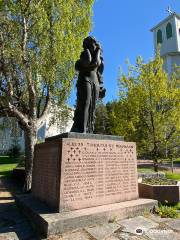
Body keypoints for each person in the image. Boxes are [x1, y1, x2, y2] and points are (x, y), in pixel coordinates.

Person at [70, 36, 106, 133]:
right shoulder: (84, 55)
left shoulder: (99, 57)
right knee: (85, 103)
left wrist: (98, 51)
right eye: (89, 45)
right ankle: (82, 129)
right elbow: (89, 62)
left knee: (92, 106)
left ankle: (89, 129)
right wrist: (88, 50)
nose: (92, 46)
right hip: (85, 79)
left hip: (95, 82)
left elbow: (97, 64)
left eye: (93, 45)